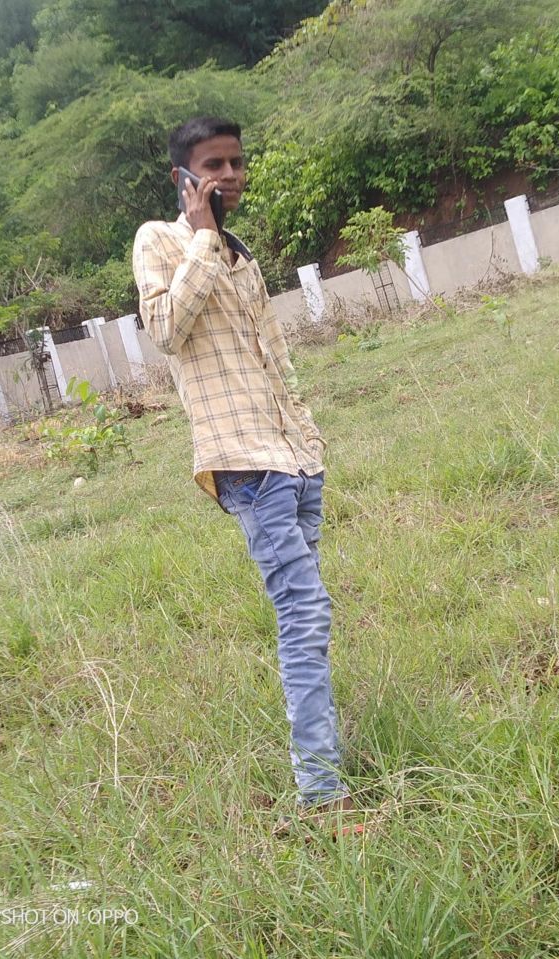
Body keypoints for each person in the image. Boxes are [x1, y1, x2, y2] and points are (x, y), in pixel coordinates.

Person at [132, 116, 358, 835]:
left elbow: (273, 358)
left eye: (235, 162)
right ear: (184, 177)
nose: (229, 175)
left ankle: (323, 763)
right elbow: (165, 330)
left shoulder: (243, 256)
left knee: (309, 615)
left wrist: (310, 441)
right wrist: (202, 236)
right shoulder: (160, 240)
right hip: (244, 463)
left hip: (294, 458)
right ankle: (320, 793)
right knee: (304, 613)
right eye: (213, 165)